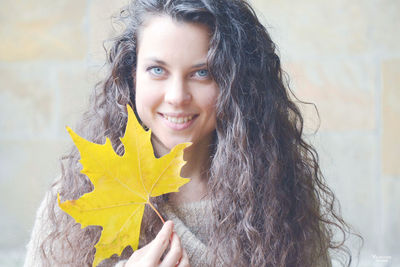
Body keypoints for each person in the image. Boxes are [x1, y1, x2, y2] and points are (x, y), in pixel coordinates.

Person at [24, 0, 358, 266]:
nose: (177, 97)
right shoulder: (76, 193)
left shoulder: (278, 195)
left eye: (202, 73)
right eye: (157, 70)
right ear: (131, 75)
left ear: (235, 83)